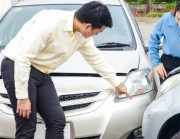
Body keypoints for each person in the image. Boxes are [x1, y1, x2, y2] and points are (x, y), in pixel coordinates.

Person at [0, 1, 129, 139]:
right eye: (98, 32)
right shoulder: (49, 24)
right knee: (27, 124)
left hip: (41, 72)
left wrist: (117, 83)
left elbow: (95, 58)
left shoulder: (81, 35)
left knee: (57, 120)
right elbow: (23, 57)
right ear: (88, 26)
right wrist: (22, 96)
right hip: (17, 66)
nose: (96, 35)